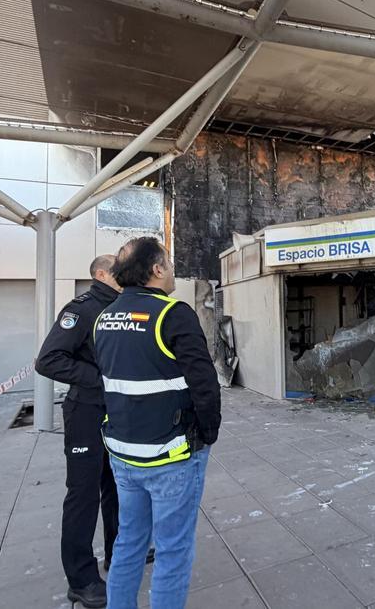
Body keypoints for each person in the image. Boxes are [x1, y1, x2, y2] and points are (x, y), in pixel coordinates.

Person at [95, 237, 221, 609]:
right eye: (168, 263)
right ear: (156, 269)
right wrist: (207, 434)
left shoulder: (105, 317)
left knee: (129, 542)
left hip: (122, 455)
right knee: (172, 551)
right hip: (172, 456)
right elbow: (205, 383)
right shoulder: (173, 313)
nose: (172, 271)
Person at [36, 254, 120, 609]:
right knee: (83, 495)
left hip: (114, 412)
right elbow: (48, 360)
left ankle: (118, 554)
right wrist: (100, 381)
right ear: (101, 274)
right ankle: (81, 579)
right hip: (86, 412)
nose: (124, 274)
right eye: (118, 270)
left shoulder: (119, 307)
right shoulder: (83, 308)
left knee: (116, 486)